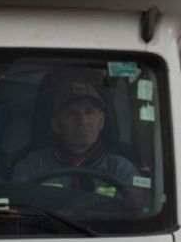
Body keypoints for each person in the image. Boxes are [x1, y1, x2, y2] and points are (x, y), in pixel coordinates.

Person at [11, 77, 140, 199]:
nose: (83, 120)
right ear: (56, 125)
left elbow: (137, 216)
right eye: (72, 113)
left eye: (90, 112)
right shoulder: (32, 167)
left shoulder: (122, 171)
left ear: (102, 121)